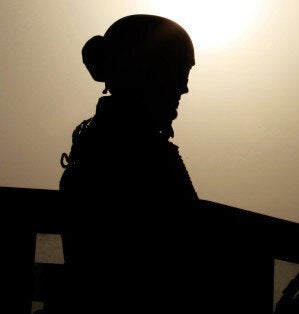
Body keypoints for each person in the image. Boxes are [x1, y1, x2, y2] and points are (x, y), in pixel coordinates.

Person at [53, 14, 201, 314]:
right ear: (147, 74)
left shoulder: (98, 140)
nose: (184, 89)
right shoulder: (138, 154)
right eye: (177, 74)